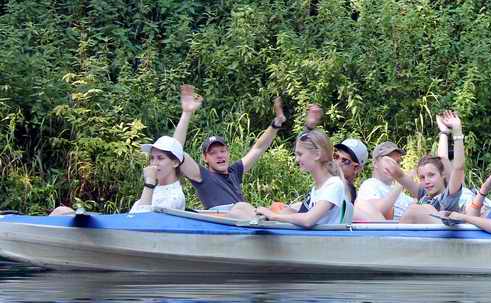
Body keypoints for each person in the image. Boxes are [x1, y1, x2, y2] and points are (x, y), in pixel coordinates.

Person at [172, 85, 298, 216]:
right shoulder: (202, 176)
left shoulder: (234, 171)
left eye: (222, 151)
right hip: (227, 221)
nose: (219, 156)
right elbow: (175, 152)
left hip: (248, 220)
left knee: (290, 207)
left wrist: (275, 124)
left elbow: (258, 148)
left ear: (228, 152)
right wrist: (186, 113)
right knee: (242, 207)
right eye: (213, 153)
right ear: (205, 158)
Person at [50, 135, 187, 216]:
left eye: (160, 158)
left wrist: (149, 182)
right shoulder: (159, 189)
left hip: (136, 236)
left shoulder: (174, 196)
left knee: (62, 212)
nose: (154, 163)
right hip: (126, 229)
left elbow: (141, 221)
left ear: (175, 163)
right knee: (60, 211)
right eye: (152, 158)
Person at [256, 129, 350, 227]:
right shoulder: (318, 188)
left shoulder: (333, 185)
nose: (297, 159)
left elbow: (308, 220)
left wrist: (273, 216)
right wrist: (283, 210)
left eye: (300, 154)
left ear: (317, 154)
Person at [399, 111, 467, 224]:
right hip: (423, 239)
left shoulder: (448, 198)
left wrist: (457, 130)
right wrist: (444, 133)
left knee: (415, 209)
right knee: (415, 207)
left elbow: (458, 167)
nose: (427, 181)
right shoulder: (423, 195)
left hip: (447, 239)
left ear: (443, 175)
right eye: (422, 177)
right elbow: (399, 175)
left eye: (431, 175)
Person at [355, 141, 416, 221]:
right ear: (375, 163)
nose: (393, 165)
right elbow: (374, 212)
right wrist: (402, 182)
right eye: (388, 160)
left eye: (397, 162)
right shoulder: (370, 185)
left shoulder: (397, 192)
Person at [333, 137, 369, 204]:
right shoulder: (327, 182)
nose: (337, 162)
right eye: (336, 156)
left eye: (345, 161)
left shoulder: (347, 196)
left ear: (356, 168)